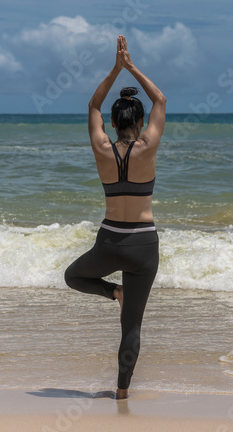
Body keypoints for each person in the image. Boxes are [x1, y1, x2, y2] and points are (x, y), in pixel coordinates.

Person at [64, 35, 166, 399]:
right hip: (143, 245)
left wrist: (115, 69)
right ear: (139, 121)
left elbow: (92, 103)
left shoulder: (102, 147)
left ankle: (113, 291)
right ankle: (122, 392)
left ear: (112, 121)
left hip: (109, 242)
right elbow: (160, 99)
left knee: (73, 276)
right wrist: (133, 67)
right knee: (132, 326)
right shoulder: (148, 146)